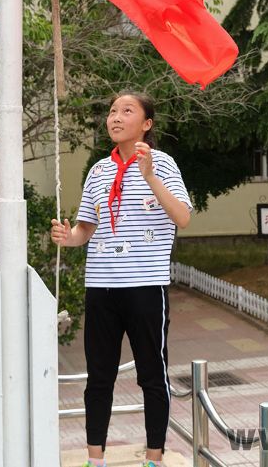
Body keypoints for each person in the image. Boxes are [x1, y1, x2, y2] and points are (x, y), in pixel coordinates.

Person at [51, 91, 192, 467]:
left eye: (126, 111)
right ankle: (94, 458)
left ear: (146, 123)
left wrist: (149, 177)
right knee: (99, 377)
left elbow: (182, 217)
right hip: (101, 287)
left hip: (145, 286)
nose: (115, 117)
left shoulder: (162, 163)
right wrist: (69, 237)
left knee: (152, 375)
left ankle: (154, 457)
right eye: (112, 111)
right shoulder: (98, 171)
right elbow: (86, 228)